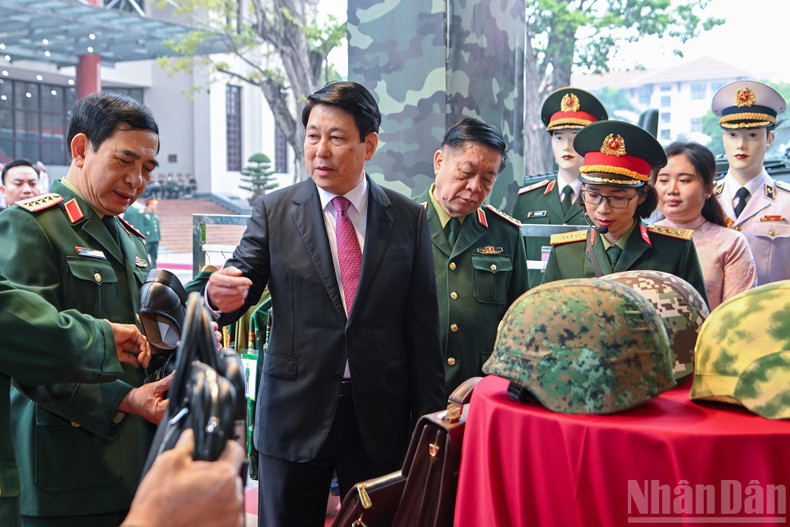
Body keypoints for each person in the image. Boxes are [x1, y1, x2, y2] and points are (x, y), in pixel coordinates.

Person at [198, 81, 445, 527]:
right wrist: (218, 296)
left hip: (379, 416)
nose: (320, 151)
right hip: (295, 411)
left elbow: (422, 327)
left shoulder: (407, 217)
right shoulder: (275, 211)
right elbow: (238, 284)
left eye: (336, 138)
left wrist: (426, 424)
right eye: (313, 136)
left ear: (369, 145)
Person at [0, 92, 173, 527]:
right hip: (67, 467)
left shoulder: (131, 237)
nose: (136, 180)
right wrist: (122, 399)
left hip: (134, 461)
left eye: (147, 168)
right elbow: (26, 352)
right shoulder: (31, 225)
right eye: (124, 160)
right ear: (80, 150)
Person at [0, 278, 245, 527]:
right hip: (72, 477)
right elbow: (23, 343)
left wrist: (183, 345)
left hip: (136, 466)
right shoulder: (34, 236)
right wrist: (122, 394)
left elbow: (145, 339)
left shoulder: (128, 237)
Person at [414, 117, 527, 395]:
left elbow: (518, 322)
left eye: (487, 179)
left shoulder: (505, 235)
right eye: (466, 172)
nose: (475, 187)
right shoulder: (401, 224)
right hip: (414, 387)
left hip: (481, 391)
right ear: (439, 162)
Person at [541, 120, 709, 306]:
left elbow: (696, 319)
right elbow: (546, 318)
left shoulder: (674, 250)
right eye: (593, 195)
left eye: (618, 198)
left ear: (642, 195)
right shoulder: (565, 252)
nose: (603, 209)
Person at [512, 87, 608, 286]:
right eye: (559, 137)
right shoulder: (527, 200)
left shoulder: (606, 202)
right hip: (535, 303)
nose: (567, 145)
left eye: (576, 136)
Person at [654, 141, 757, 309]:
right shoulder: (642, 238)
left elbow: (737, 314)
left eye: (684, 180)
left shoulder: (730, 243)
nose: (672, 189)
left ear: (708, 189)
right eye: (663, 180)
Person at [711, 80, 790, 285]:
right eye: (732, 135)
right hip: (716, 315)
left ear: (770, 139)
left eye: (753, 135)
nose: (741, 144)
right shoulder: (704, 199)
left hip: (773, 314)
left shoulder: (787, 203)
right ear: (724, 139)